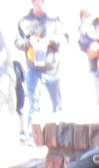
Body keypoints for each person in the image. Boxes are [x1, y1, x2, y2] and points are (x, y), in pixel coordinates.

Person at [15, 0, 69, 140]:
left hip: (52, 68)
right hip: (33, 69)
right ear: (34, 2)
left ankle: (62, 136)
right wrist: (29, 42)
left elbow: (65, 39)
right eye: (42, 1)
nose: (45, 3)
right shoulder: (24, 22)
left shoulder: (54, 20)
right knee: (34, 105)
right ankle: (33, 138)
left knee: (58, 105)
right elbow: (18, 42)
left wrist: (49, 40)